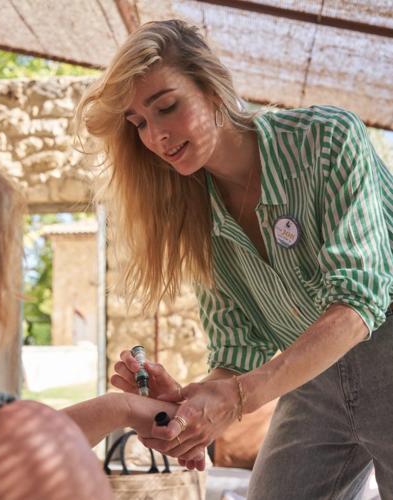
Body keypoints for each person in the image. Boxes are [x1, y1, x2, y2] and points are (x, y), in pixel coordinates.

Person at [75, 18, 393, 499]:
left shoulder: (326, 140)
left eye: (167, 107)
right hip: (313, 381)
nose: (156, 136)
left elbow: (358, 304)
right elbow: (238, 348)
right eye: (139, 123)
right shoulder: (194, 213)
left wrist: (240, 396)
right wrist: (192, 402)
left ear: (212, 89)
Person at [0, 141, 177, 500]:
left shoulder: (12, 439)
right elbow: (28, 452)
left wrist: (120, 408)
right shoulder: (37, 454)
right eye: (4, 263)